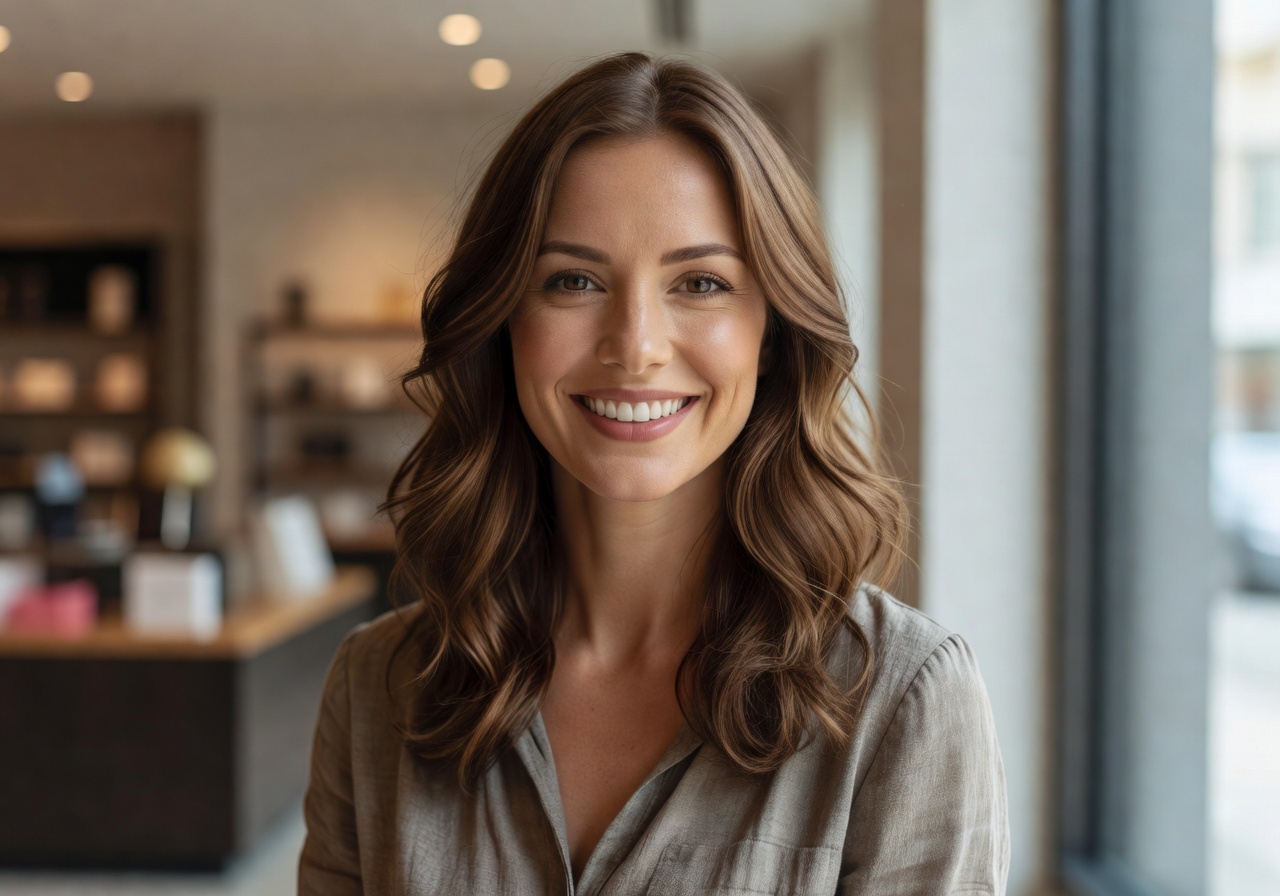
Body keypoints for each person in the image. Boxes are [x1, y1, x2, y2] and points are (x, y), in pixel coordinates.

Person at [298, 52, 1009, 896]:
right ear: (502, 324)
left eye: (701, 282)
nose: (635, 344)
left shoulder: (903, 704)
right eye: (573, 280)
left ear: (772, 332)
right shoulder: (380, 688)